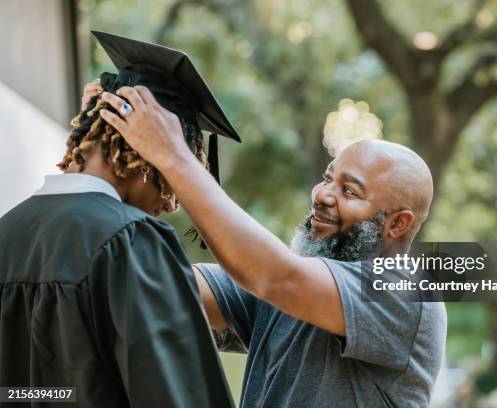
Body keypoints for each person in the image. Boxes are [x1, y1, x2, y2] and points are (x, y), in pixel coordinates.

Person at [99, 80, 447, 407]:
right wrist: (104, 151)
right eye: (327, 178)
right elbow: (158, 284)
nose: (323, 194)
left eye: (349, 190)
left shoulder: (406, 294)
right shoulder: (287, 294)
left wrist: (172, 154)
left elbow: (274, 275)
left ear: (397, 224)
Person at [0, 32, 238, 407]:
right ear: (145, 150)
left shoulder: (6, 234)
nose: (171, 201)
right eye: (176, 165)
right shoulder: (130, 241)